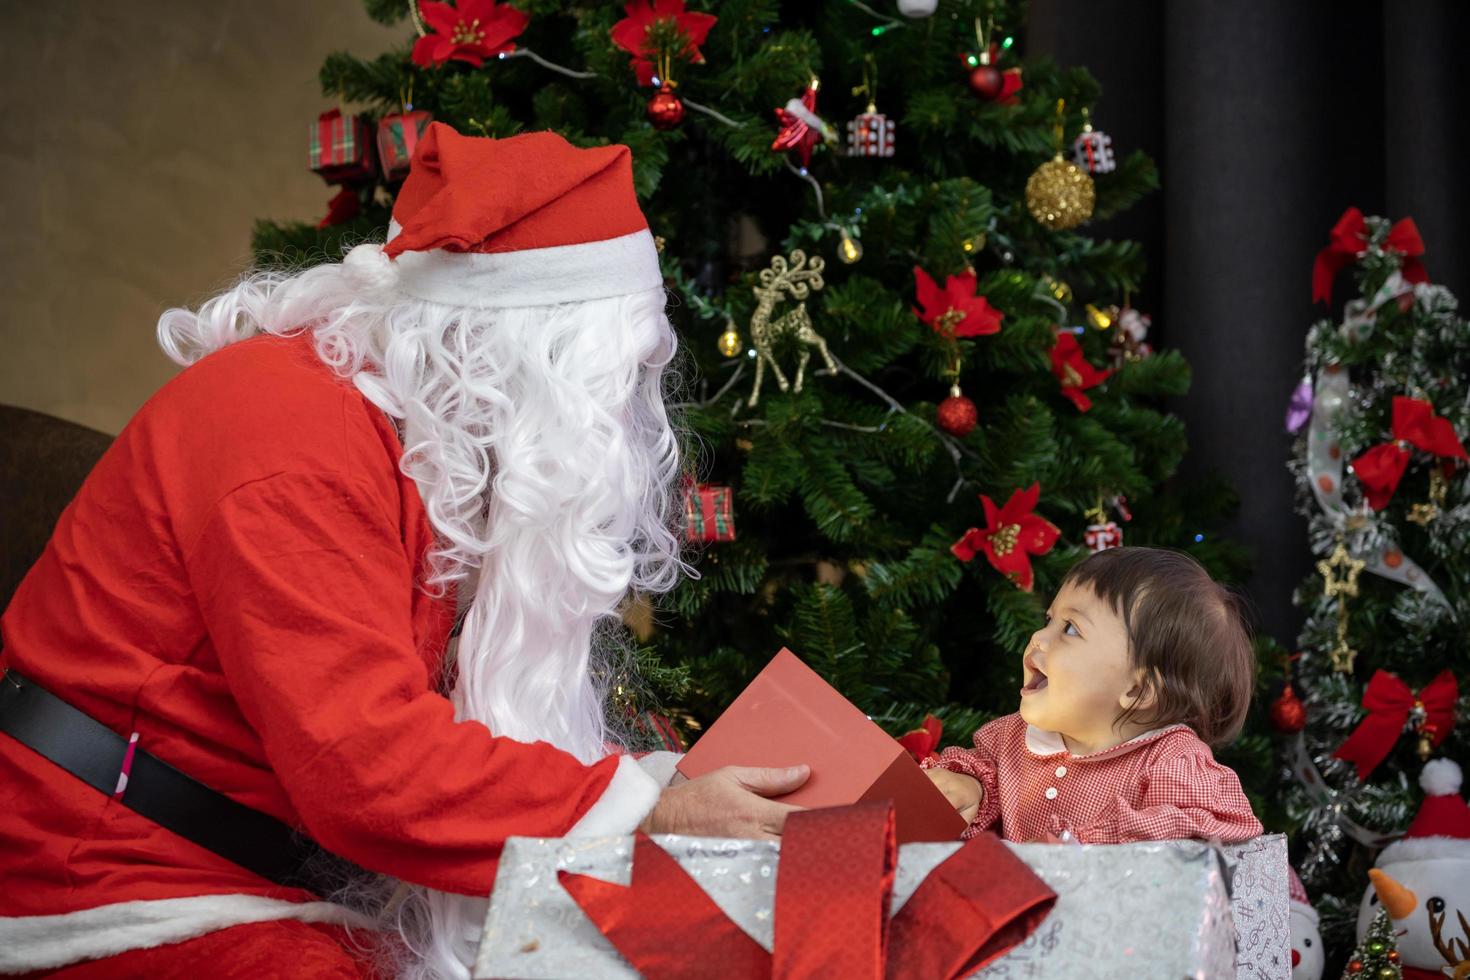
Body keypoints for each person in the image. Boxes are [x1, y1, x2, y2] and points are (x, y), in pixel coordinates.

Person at [0, 124, 808, 980]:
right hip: (107, 870)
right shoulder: (287, 431)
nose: (626, 415)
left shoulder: (424, 445)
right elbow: (368, 767)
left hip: (281, 865)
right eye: (610, 375)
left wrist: (660, 787)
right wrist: (652, 813)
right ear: (529, 360)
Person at [924, 546, 1262, 844]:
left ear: (1138, 689)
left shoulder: (1170, 761)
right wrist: (971, 789)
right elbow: (988, 781)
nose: (1039, 637)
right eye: (1049, 619)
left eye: (1071, 629)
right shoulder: (1010, 741)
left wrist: (1083, 846)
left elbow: (1200, 829)